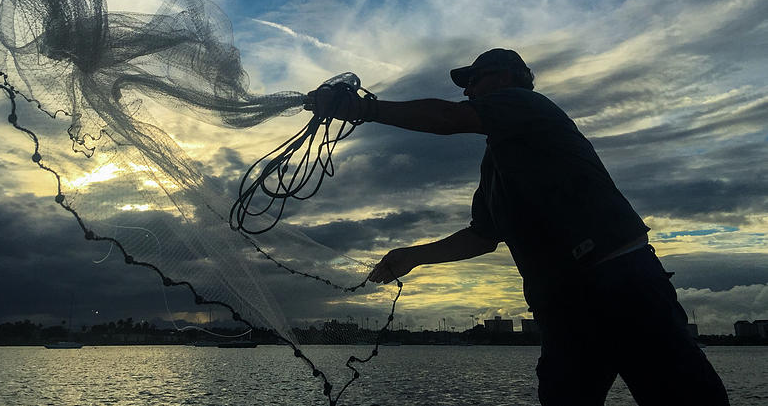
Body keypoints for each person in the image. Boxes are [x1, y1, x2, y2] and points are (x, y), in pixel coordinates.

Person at [306, 48, 728, 406]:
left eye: (475, 79)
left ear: (510, 78)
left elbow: (451, 117)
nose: (469, 90)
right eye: (465, 85)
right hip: (564, 307)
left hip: (621, 283)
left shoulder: (529, 104)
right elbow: (482, 237)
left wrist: (362, 108)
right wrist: (413, 257)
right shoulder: (494, 167)